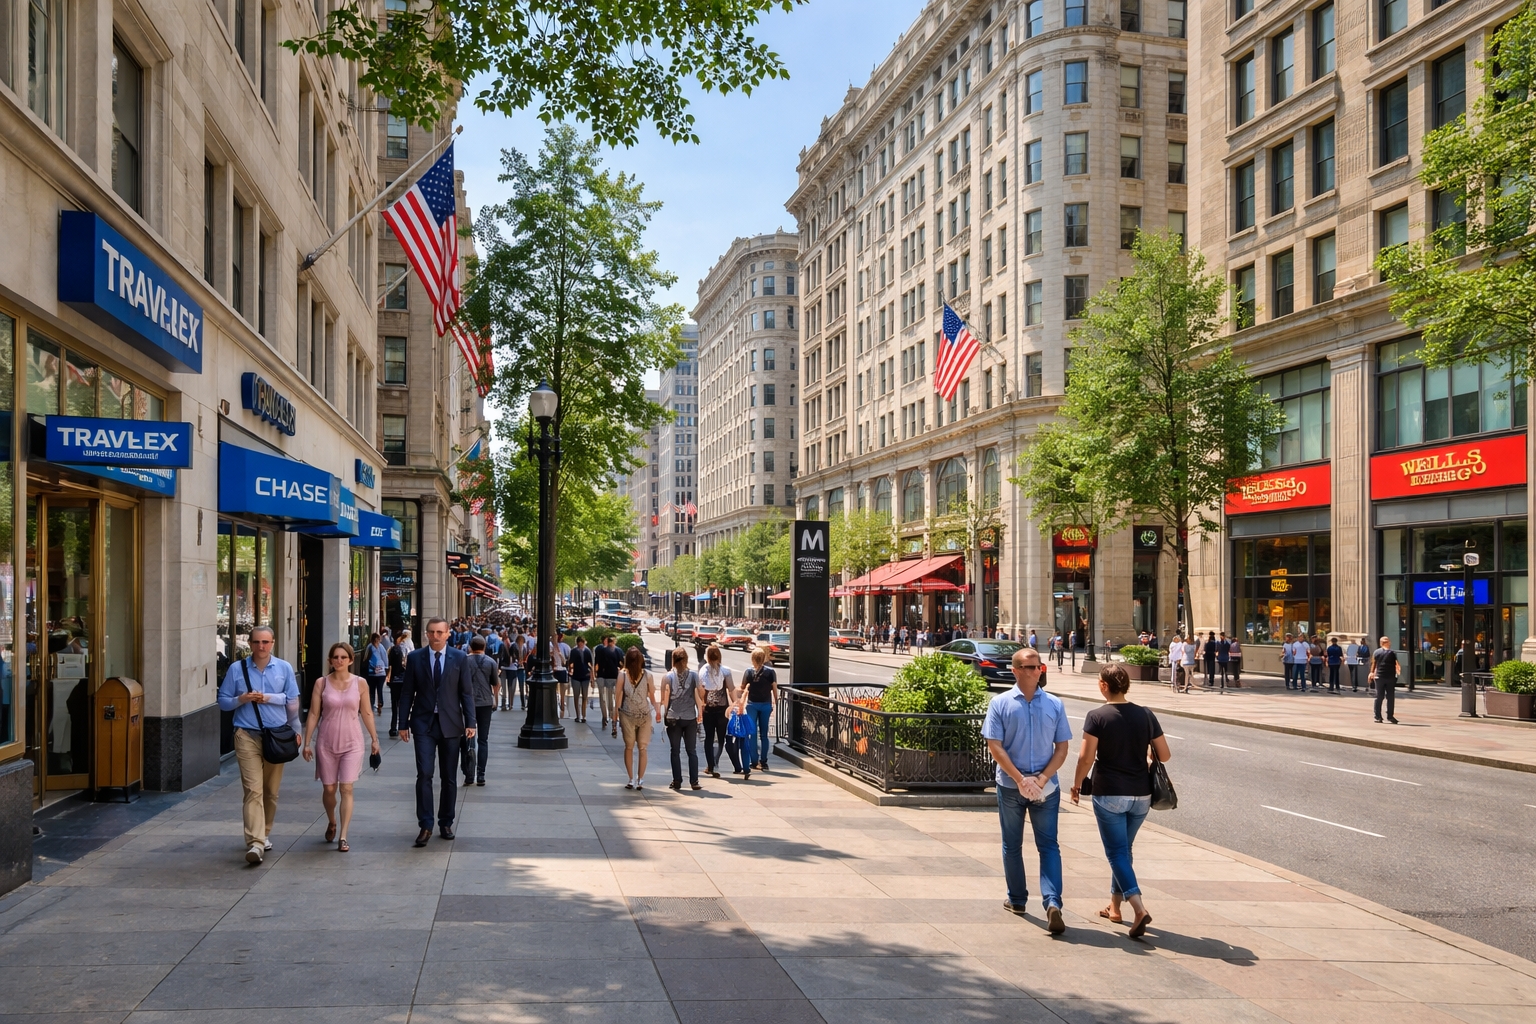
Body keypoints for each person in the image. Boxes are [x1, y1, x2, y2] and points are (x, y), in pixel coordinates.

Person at [1069, 663, 1171, 940]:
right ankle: (1114, 908)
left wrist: (1077, 784)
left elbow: (1086, 758)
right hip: (1141, 795)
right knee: (1124, 851)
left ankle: (1138, 907)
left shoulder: (1097, 716)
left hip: (1110, 793)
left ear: (1104, 686)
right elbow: (1164, 755)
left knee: (1116, 853)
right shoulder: (1146, 715)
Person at [982, 647, 1072, 934]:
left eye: (1038, 667)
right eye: (1030, 667)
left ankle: (1050, 902)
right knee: (1022, 845)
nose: (1037, 671)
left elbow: (1063, 748)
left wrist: (1040, 780)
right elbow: (994, 745)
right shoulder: (1000, 703)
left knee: (1039, 845)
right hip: (1014, 785)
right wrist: (1023, 779)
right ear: (1015, 670)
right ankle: (1022, 899)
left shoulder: (1055, 704)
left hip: (1034, 786)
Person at [217, 625, 302, 864]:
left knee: (271, 792)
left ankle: (264, 833)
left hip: (277, 736)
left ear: (272, 643)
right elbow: (223, 702)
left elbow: (292, 700)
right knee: (253, 790)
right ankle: (255, 843)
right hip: (246, 735)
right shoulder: (237, 669)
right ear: (250, 644)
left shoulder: (283, 668)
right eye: (256, 642)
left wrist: (296, 729)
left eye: (265, 642)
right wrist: (240, 699)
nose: (261, 647)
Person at [399, 618, 477, 847]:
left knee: (449, 777)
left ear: (447, 634)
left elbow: (466, 693)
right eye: (431, 632)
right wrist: (403, 723)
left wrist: (470, 722)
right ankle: (425, 824)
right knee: (424, 774)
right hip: (423, 724)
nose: (435, 636)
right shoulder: (415, 658)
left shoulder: (460, 658)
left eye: (439, 632)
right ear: (426, 634)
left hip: (451, 725)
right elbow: (407, 693)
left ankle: (446, 821)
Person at [301, 642, 380, 853]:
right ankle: (332, 820)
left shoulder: (360, 683)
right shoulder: (322, 683)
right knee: (329, 789)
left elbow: (367, 713)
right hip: (326, 742)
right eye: (335, 657)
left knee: (346, 787)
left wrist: (374, 739)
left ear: (351, 660)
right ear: (330, 660)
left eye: (343, 657)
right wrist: (307, 742)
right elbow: (314, 714)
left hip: (352, 743)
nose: (339, 661)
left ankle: (343, 836)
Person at [660, 648, 705, 791]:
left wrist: (663, 715)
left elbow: (663, 699)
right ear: (686, 659)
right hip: (690, 716)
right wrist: (700, 712)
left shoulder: (667, 677)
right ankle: (694, 781)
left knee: (675, 750)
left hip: (673, 717)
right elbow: (700, 694)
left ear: (673, 659)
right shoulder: (693, 675)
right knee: (691, 750)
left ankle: (677, 780)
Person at [460, 636, 500, 787]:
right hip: (485, 703)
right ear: (484, 647)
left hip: (467, 703)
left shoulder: (464, 661)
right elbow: (495, 683)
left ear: (470, 647)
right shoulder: (490, 662)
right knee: (483, 739)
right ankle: (481, 774)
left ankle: (468, 773)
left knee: (467, 738)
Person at [617, 644, 656, 790]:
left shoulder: (647, 676)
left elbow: (651, 694)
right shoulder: (623, 675)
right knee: (637, 747)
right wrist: (657, 711)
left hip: (640, 715)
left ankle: (636, 778)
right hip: (630, 714)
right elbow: (619, 695)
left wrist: (614, 716)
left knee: (636, 747)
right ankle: (635, 778)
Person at [699, 644, 734, 779]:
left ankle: (710, 765)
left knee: (708, 737)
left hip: (708, 709)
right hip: (722, 709)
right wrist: (736, 704)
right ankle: (716, 761)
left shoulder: (702, 671)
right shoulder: (725, 671)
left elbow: (701, 692)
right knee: (721, 738)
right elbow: (731, 689)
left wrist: (700, 705)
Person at [742, 646, 778, 771]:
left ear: (753, 658)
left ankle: (754, 761)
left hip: (752, 704)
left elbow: (743, 687)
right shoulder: (770, 672)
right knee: (764, 734)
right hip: (765, 705)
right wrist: (776, 702)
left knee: (752, 733)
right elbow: (774, 689)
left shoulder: (748, 672)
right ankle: (764, 761)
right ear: (763, 658)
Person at [595, 635, 624, 736]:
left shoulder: (601, 650)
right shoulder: (617, 651)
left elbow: (597, 663)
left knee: (603, 697)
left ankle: (604, 715)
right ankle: (612, 715)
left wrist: (595, 673)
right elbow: (621, 663)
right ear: (614, 642)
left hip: (602, 675)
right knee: (611, 697)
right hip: (613, 676)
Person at [1369, 636, 1401, 725]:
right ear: (1384, 643)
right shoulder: (1392, 653)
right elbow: (1397, 665)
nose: (1389, 643)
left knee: (1379, 697)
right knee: (1389, 697)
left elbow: (1373, 663)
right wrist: (1398, 673)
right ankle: (1389, 716)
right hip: (1388, 677)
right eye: (1387, 641)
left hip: (1380, 677)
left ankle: (1379, 716)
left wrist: (1371, 673)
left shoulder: (1377, 652)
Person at [568, 635, 595, 723]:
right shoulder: (574, 651)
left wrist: (592, 677)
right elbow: (571, 663)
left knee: (584, 696)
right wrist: (571, 670)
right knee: (576, 696)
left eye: (581, 644)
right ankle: (578, 715)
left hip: (585, 675)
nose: (580, 646)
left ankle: (583, 715)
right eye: (579, 644)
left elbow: (591, 665)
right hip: (576, 675)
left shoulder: (587, 651)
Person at [387, 633, 409, 736]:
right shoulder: (405, 649)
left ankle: (393, 727)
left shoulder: (392, 650)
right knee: (403, 704)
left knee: (394, 705)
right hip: (403, 680)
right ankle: (402, 726)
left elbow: (390, 664)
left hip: (394, 680)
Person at [365, 632, 389, 715]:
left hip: (371, 672)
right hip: (381, 672)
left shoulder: (369, 647)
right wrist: (386, 668)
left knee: (371, 690)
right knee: (380, 690)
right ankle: (380, 704)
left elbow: (365, 658)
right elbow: (385, 658)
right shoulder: (381, 647)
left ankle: (371, 706)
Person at [551, 634, 569, 718]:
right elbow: (567, 658)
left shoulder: (551, 646)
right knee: (560, 690)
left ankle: (560, 703)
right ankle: (560, 703)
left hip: (557, 669)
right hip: (560, 670)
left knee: (558, 690)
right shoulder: (565, 646)